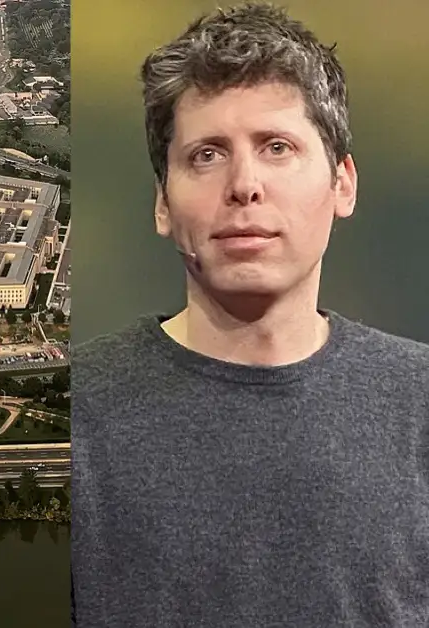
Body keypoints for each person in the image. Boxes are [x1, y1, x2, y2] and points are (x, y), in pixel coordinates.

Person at [71, 4, 429, 627]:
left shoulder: (420, 402)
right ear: (161, 204)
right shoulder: (76, 412)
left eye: (277, 147)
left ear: (343, 184)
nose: (244, 185)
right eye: (207, 155)